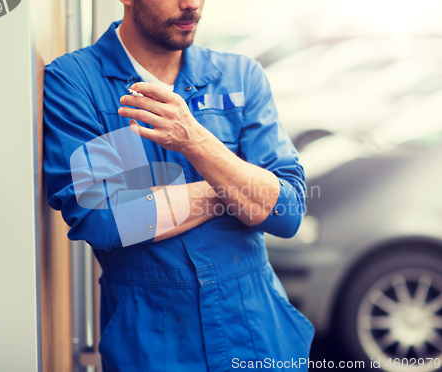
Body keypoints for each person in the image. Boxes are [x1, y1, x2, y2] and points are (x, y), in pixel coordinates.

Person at [43, 0, 314, 370]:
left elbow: (287, 211)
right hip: (152, 340)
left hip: (257, 333)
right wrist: (234, 190)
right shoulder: (78, 82)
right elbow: (103, 218)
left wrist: (194, 141)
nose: (191, 4)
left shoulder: (239, 76)